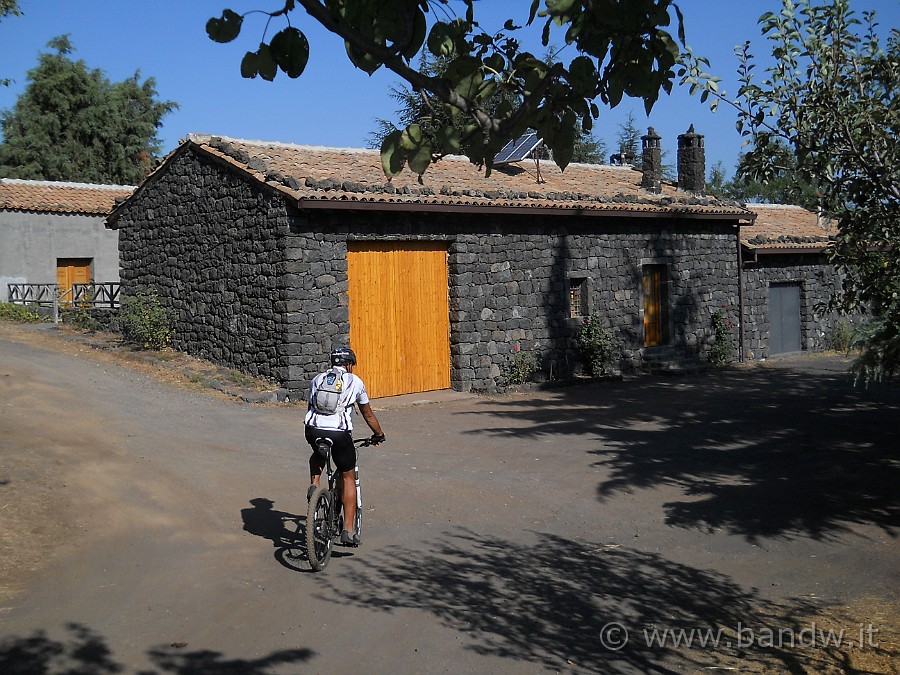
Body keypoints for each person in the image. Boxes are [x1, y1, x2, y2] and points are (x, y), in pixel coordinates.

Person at [304, 346, 384, 547]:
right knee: (348, 476)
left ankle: (315, 484)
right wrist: (379, 434)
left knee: (318, 452)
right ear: (349, 365)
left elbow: (311, 407)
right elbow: (367, 414)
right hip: (339, 433)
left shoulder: (317, 379)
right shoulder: (355, 382)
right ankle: (348, 530)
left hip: (312, 429)